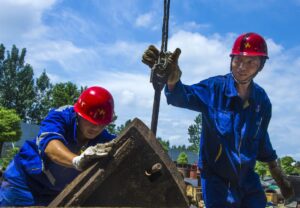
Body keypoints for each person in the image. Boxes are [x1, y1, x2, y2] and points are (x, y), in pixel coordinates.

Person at [142, 32, 294, 207]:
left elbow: (261, 139)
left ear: (261, 65)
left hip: (248, 180)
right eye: (238, 60)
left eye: (251, 62)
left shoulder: (262, 101)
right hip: (217, 182)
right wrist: (172, 81)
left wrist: (278, 175)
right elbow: (182, 96)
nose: (242, 67)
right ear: (231, 60)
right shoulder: (214, 89)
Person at [0, 86, 117, 206]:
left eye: (102, 124)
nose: (96, 128)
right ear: (79, 114)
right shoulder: (60, 116)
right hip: (22, 182)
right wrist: (77, 160)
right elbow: (50, 145)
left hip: (52, 194)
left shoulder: (104, 139)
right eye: (91, 121)